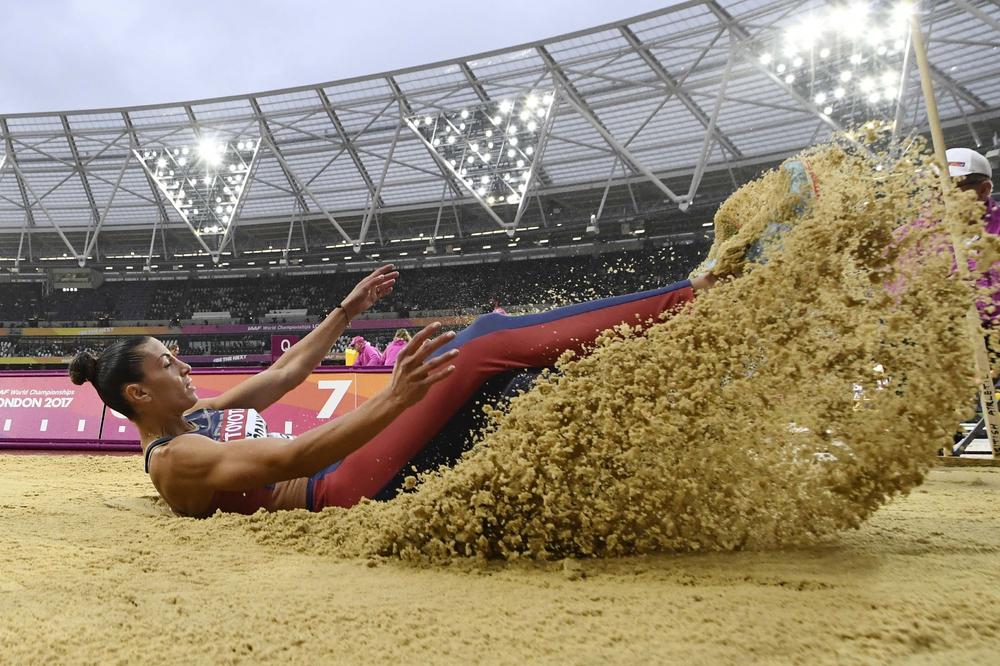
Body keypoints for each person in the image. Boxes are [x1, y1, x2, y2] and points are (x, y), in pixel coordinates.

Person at [69, 265, 718, 517]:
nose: (181, 363)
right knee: (483, 342)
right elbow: (290, 462)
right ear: (139, 395)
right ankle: (702, 297)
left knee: (516, 394)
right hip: (339, 486)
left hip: (354, 462)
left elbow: (287, 374)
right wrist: (393, 399)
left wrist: (345, 312)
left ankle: (693, 364)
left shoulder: (203, 415)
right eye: (165, 362)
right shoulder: (177, 460)